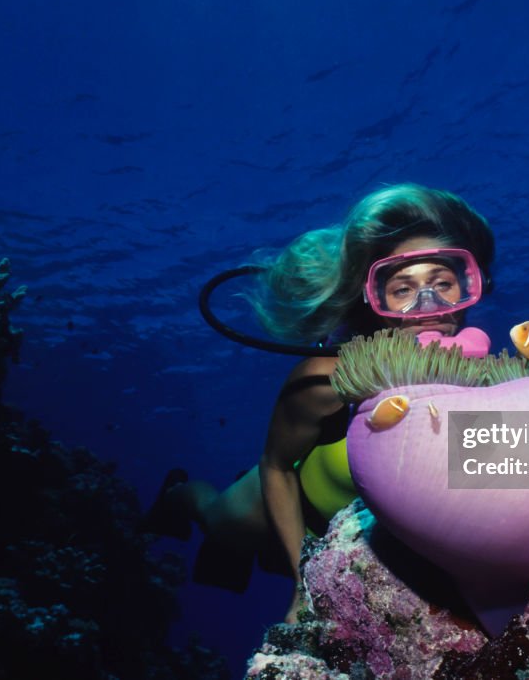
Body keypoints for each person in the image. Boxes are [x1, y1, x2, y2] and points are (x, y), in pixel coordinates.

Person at [143, 183, 495, 623]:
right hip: (284, 507)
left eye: (444, 284)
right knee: (217, 523)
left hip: (364, 544)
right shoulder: (325, 379)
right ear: (372, 297)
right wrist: (302, 581)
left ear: (472, 286)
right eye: (403, 289)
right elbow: (275, 466)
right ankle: (178, 495)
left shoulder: (490, 380)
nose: (428, 306)